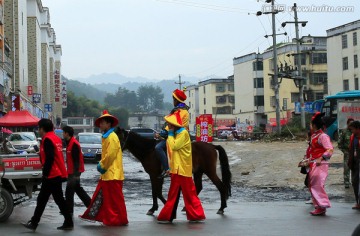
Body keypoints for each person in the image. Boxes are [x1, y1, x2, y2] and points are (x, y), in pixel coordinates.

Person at [23, 119, 73, 231]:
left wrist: (45, 173)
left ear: (42, 128)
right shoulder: (56, 138)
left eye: (39, 128)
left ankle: (34, 223)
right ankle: (68, 221)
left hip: (51, 174)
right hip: (57, 173)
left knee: (43, 199)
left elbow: (50, 157)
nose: (38, 130)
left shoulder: (47, 140)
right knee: (56, 199)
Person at [79, 110, 128, 226]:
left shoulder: (111, 137)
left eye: (102, 123)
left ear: (108, 124)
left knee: (113, 199)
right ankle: (104, 217)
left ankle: (116, 219)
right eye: (100, 123)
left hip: (112, 173)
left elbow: (110, 155)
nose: (100, 125)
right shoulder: (108, 136)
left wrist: (102, 165)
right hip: (109, 174)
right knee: (102, 196)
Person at [157, 111, 205, 223]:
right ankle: (170, 216)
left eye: (169, 124)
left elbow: (173, 146)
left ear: (174, 125)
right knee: (178, 194)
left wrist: (169, 134)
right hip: (178, 169)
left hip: (182, 168)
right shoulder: (178, 133)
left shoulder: (182, 133)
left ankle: (194, 214)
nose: (168, 126)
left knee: (187, 194)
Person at [155, 88, 189, 178]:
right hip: (176, 132)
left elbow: (172, 124)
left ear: (177, 100)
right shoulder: (180, 110)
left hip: (177, 134)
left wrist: (161, 134)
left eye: (174, 99)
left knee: (158, 147)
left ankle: (167, 169)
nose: (173, 101)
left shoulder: (180, 111)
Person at [306, 112, 333, 216]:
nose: (310, 126)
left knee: (317, 185)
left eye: (311, 124)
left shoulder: (323, 136)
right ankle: (318, 206)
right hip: (314, 163)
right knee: (312, 185)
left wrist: (321, 158)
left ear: (314, 125)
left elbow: (330, 149)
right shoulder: (315, 136)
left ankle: (322, 206)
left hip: (320, 164)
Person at [62, 125, 91, 216]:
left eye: (63, 133)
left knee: (69, 192)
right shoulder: (70, 142)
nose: (62, 134)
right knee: (77, 190)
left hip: (74, 172)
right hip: (73, 172)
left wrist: (76, 174)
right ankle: (90, 206)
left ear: (67, 133)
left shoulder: (73, 144)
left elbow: (76, 160)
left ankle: (69, 211)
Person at [338, 118, 354, 188]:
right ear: (347, 124)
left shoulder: (356, 132)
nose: (351, 125)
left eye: (352, 124)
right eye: (350, 124)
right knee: (346, 168)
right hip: (347, 152)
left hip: (355, 153)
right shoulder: (344, 132)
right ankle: (346, 182)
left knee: (355, 168)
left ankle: (354, 181)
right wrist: (344, 151)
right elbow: (339, 144)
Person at [348, 120, 360, 209]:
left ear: (357, 129)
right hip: (355, 163)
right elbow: (351, 150)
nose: (351, 131)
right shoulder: (353, 137)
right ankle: (358, 202)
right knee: (355, 182)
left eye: (352, 129)